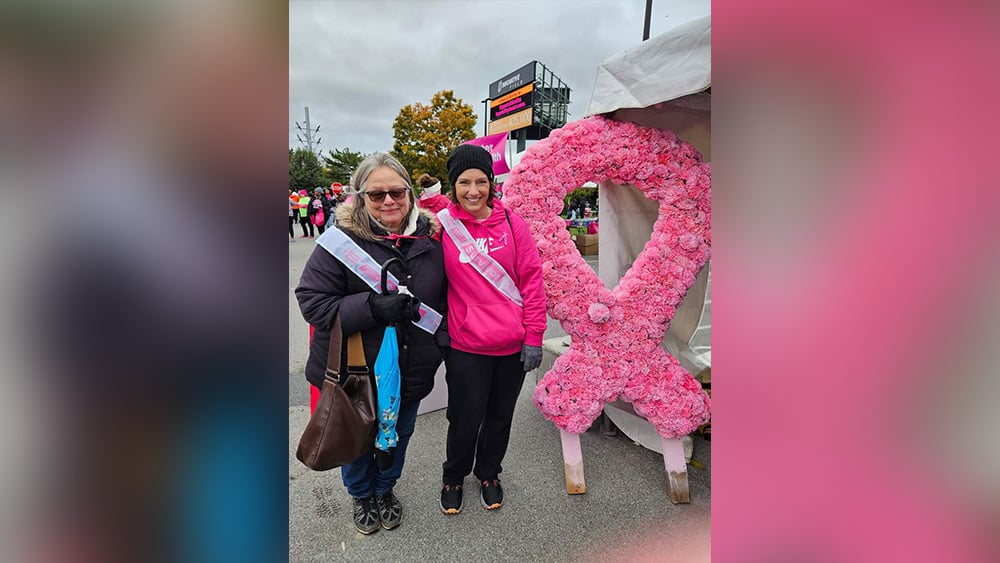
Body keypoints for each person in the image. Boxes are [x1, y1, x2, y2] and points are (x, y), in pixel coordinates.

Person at [295, 153, 449, 535]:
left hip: (411, 364)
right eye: (376, 194)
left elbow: (447, 299)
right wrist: (372, 307)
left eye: (396, 191)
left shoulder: (430, 240)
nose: (388, 201)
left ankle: (385, 489)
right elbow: (312, 301)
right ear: (360, 198)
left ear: (410, 194)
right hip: (356, 369)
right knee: (357, 433)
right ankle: (362, 494)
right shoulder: (338, 243)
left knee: (400, 430)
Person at [436, 144, 546, 514]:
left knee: (499, 418)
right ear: (453, 186)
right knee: (464, 420)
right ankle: (453, 475)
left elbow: (532, 282)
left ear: (491, 183)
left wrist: (534, 338)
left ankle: (489, 473)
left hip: (511, 348)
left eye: (481, 181)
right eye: (464, 182)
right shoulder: (442, 228)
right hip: (466, 345)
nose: (473, 191)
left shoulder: (515, 225)